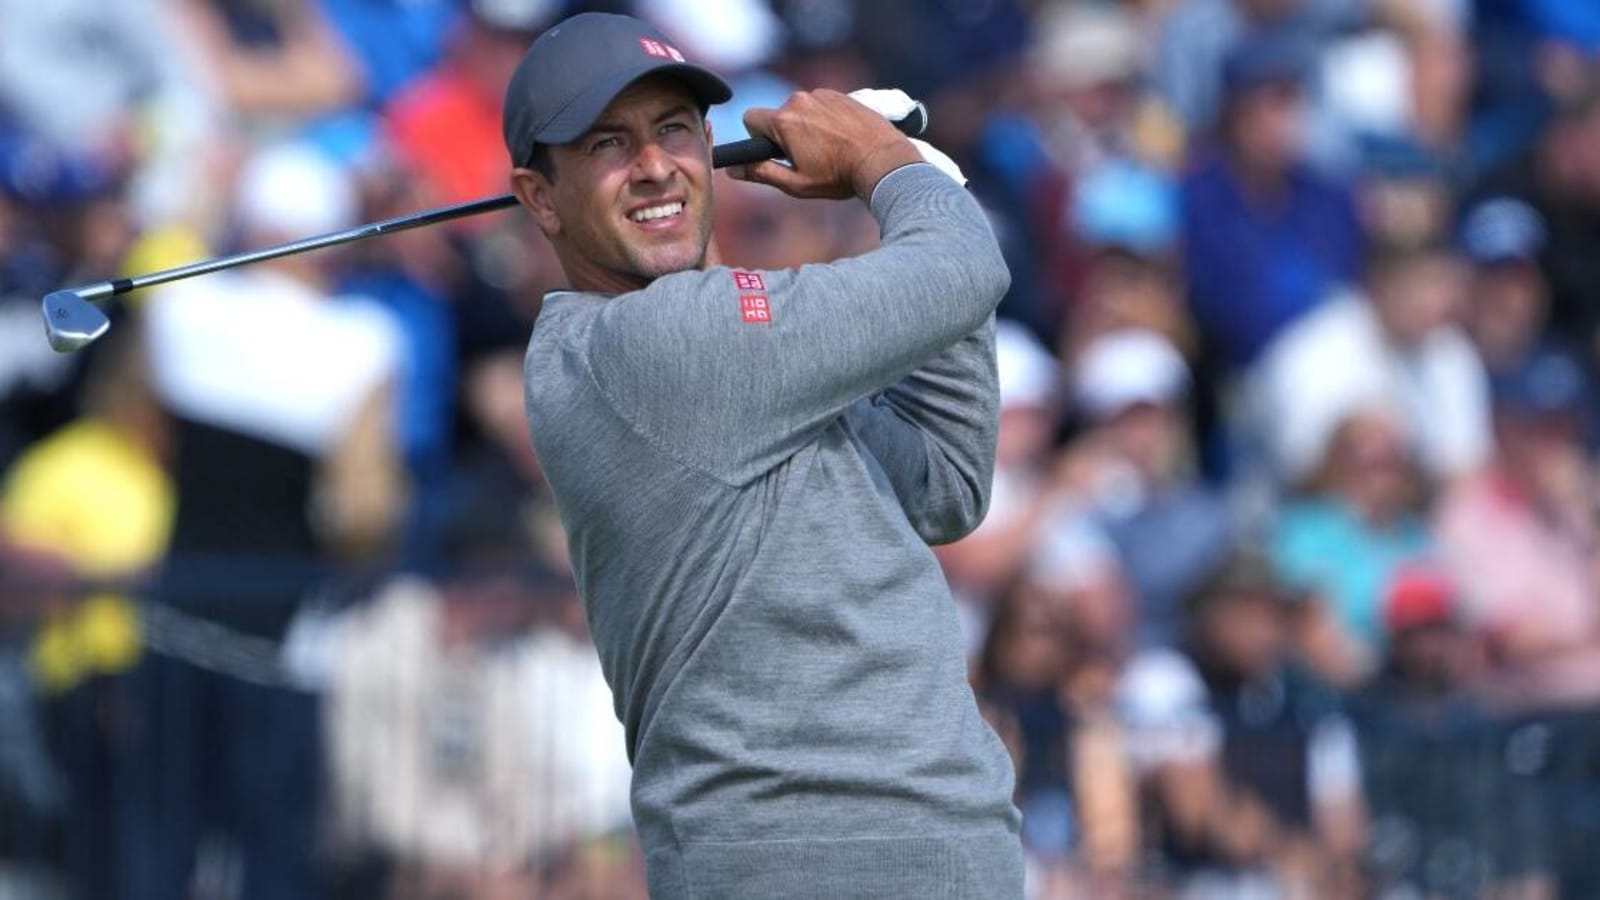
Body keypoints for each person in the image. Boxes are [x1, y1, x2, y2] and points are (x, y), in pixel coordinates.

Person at [506, 12, 1021, 898]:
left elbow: (944, 481)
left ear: (711, 149)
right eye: (607, 143)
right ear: (540, 197)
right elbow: (962, 272)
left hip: (943, 853)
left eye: (674, 130)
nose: (656, 165)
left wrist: (912, 181)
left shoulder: (758, 372)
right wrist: (885, 169)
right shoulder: (650, 346)